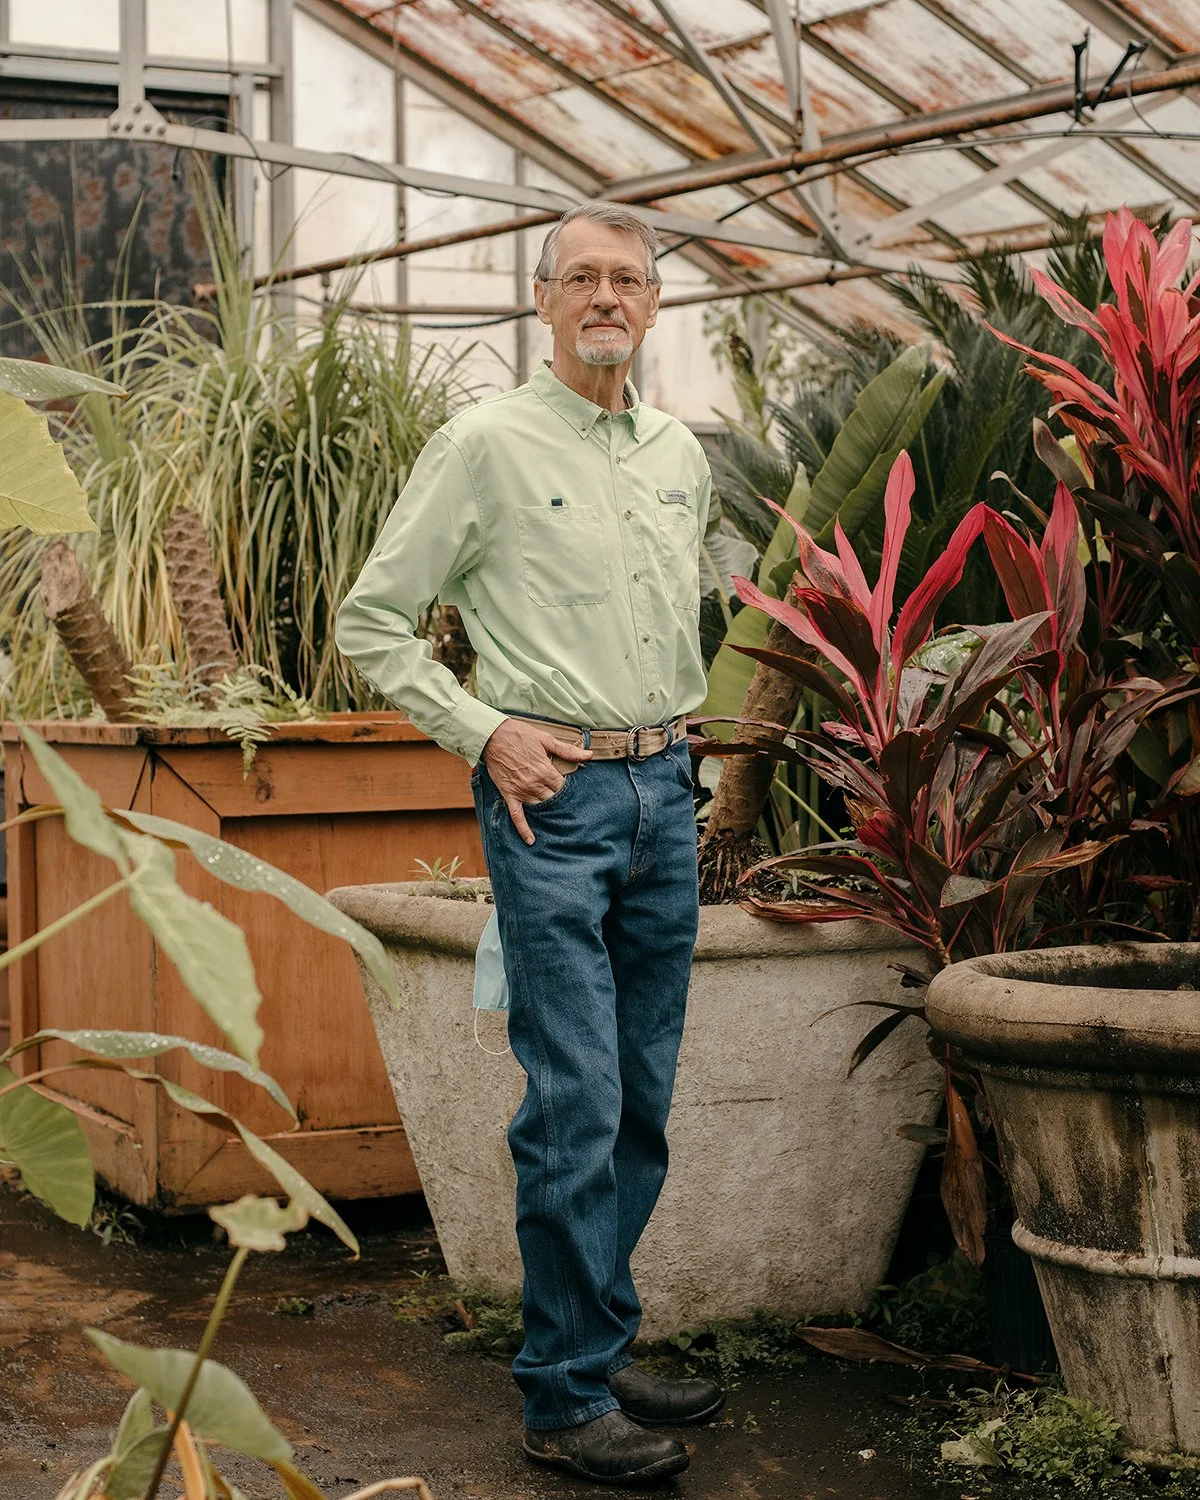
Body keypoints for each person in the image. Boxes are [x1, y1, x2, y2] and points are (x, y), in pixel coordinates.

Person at [336, 202, 723, 1486]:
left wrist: (688, 759)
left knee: (643, 1098)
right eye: (582, 279)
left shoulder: (678, 452)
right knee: (575, 1102)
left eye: (628, 278)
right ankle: (560, 1401)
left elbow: (678, 625)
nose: (606, 297)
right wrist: (483, 729)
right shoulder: (485, 443)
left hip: (664, 791)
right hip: (549, 802)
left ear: (656, 303)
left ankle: (599, 1345)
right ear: (541, 299)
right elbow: (374, 621)